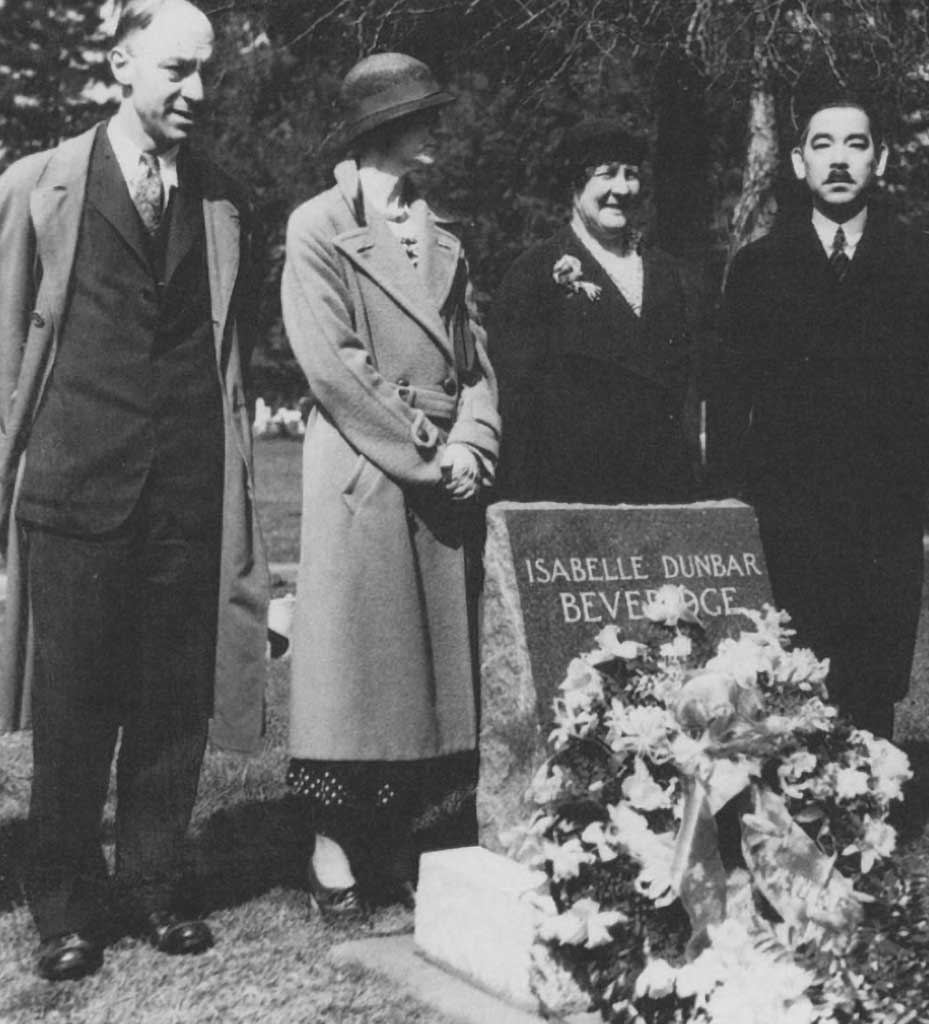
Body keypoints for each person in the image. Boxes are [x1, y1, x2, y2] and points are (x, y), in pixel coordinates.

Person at [0, 0, 269, 981]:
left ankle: (154, 883)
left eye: (207, 74)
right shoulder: (41, 184)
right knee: (73, 707)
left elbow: (226, 349)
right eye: (174, 72)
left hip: (187, 491)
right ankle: (64, 904)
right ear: (121, 67)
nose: (196, 93)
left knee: (172, 701)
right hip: (76, 491)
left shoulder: (226, 199)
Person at [280, 53, 500, 926]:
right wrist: (428, 447)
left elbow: (478, 361)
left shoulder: (446, 234)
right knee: (357, 680)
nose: (436, 128)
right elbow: (334, 364)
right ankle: (333, 858)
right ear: (382, 127)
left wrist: (475, 439)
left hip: (442, 480)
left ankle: (396, 852)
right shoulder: (317, 227)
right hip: (367, 477)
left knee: (426, 685)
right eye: (422, 115)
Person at [709, 98, 929, 741]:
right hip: (789, 511)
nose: (840, 160)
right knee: (788, 665)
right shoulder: (759, 267)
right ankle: (787, 811)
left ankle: (866, 807)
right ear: (799, 163)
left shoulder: (922, 264)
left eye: (856, 144)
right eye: (823, 145)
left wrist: (902, 467)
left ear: (879, 159)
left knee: (871, 669)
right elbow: (730, 389)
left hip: (881, 505)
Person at [489, 119, 703, 503]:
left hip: (663, 497)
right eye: (607, 174)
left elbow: (687, 399)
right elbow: (517, 411)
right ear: (576, 183)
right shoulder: (535, 273)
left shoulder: (669, 274)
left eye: (632, 175)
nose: (622, 189)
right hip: (570, 500)